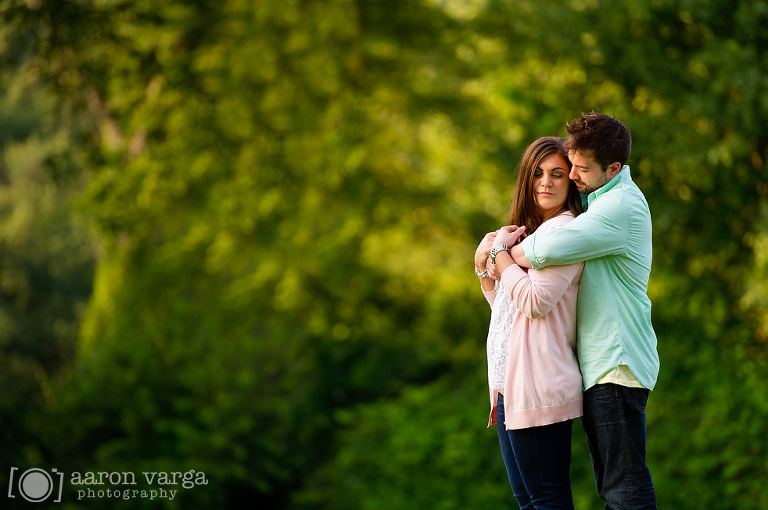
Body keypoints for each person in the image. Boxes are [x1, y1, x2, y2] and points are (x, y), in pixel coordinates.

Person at [508, 112, 660, 509]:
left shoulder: (619, 208)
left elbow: (547, 249)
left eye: (581, 168)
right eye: (570, 165)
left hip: (617, 362)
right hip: (603, 364)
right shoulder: (602, 202)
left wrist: (500, 254)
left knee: (624, 489)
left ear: (614, 168)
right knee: (616, 487)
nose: (573, 175)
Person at [474, 136, 584, 509]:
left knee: (546, 500)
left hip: (539, 384)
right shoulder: (533, 234)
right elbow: (509, 314)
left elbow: (534, 303)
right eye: (537, 173)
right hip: (510, 387)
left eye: (557, 173)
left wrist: (499, 254)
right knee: (529, 501)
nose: (546, 182)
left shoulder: (564, 232)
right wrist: (482, 268)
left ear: (571, 181)